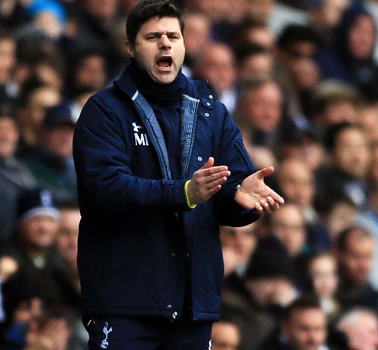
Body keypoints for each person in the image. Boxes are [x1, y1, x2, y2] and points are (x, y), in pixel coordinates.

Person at [73, 2, 284, 349]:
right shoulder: (104, 111)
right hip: (126, 302)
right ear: (130, 48)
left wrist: (239, 196)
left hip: (192, 307)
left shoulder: (211, 112)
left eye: (173, 35)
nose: (165, 44)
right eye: (153, 37)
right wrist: (184, 192)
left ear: (185, 44)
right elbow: (105, 189)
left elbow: (229, 189)